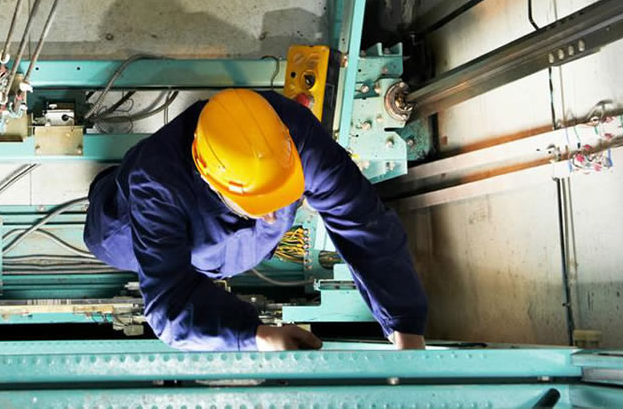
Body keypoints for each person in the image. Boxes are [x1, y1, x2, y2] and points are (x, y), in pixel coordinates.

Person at [84, 89, 428, 351]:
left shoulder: (293, 134)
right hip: (127, 226)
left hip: (226, 244)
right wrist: (253, 335)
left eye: (281, 196)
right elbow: (169, 306)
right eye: (261, 204)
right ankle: (107, 184)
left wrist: (405, 324)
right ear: (209, 176)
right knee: (106, 233)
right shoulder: (156, 181)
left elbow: (363, 221)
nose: (275, 214)